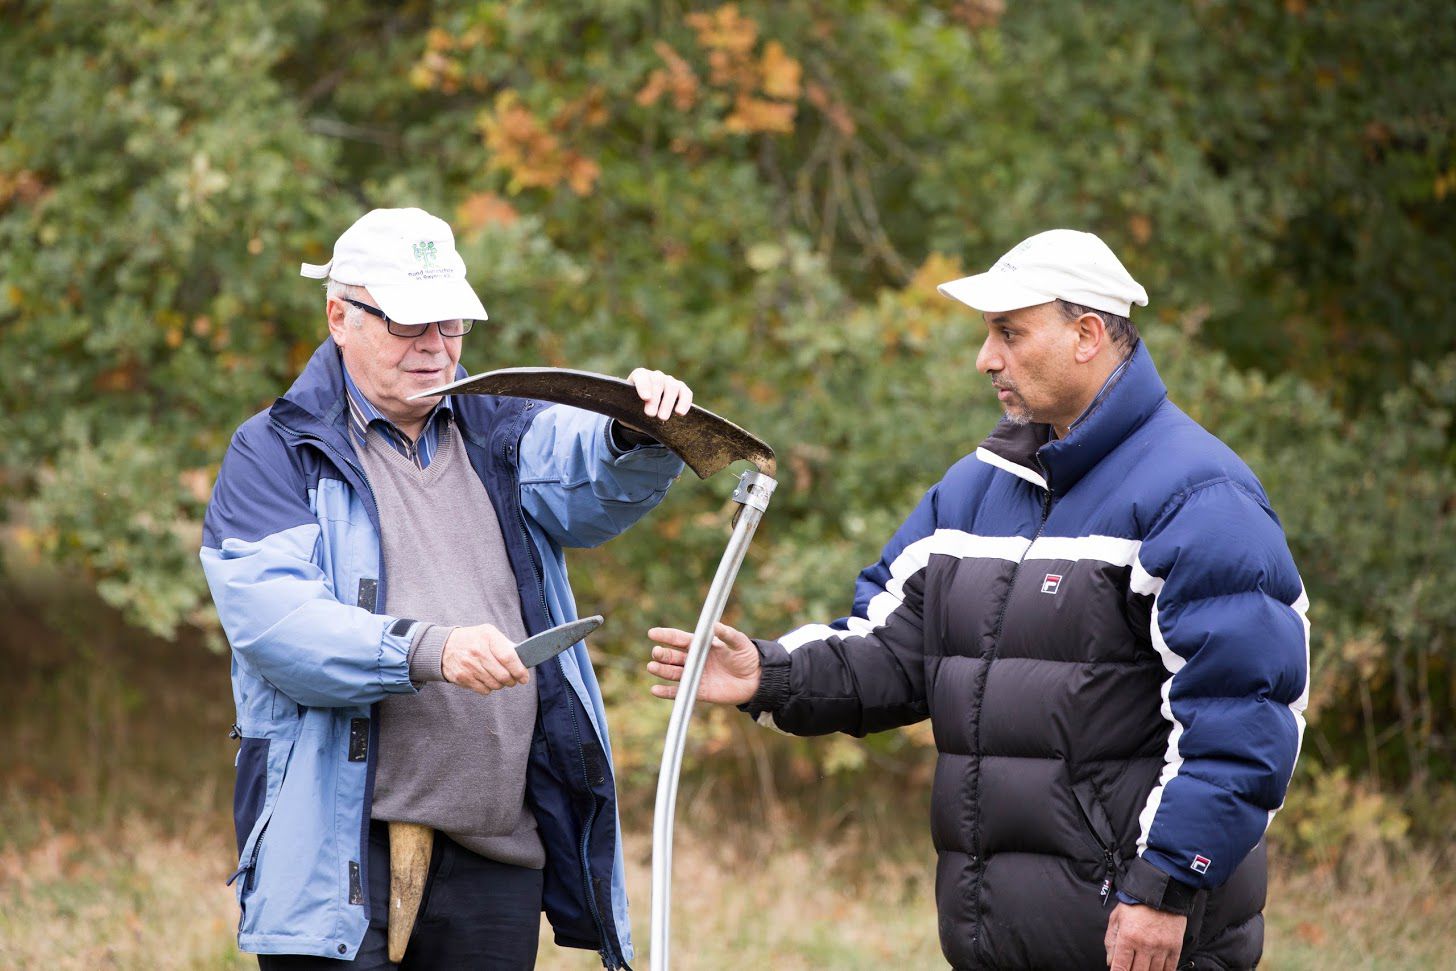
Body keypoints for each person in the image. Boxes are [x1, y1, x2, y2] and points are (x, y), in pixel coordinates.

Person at [647, 229, 1309, 971]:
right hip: (992, 942)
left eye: (1008, 333)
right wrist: (770, 674)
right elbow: (893, 652)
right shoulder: (971, 490)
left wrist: (1165, 886)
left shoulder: (1200, 497)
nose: (985, 358)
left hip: (1142, 939)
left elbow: (1243, 717)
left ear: (1087, 335)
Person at [202, 207, 690, 970]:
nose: (435, 345)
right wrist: (429, 649)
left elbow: (583, 475)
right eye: (407, 322)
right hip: (337, 854)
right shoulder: (276, 451)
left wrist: (631, 432)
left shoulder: (498, 425)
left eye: (451, 321)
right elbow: (279, 628)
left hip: (496, 857)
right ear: (339, 316)